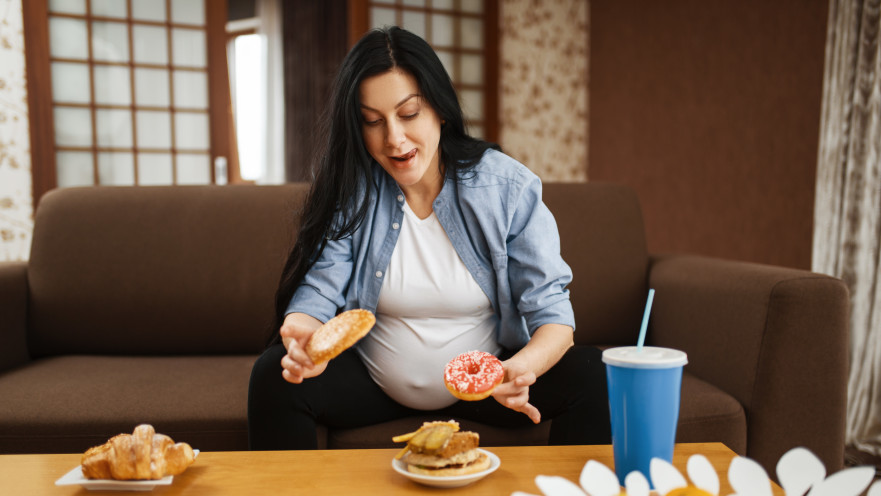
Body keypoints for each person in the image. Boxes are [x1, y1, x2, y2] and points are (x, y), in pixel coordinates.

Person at [247, 26, 611, 449]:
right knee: (272, 374)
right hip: (376, 387)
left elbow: (553, 317)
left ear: (439, 108)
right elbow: (318, 293)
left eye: (408, 113)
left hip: (486, 387)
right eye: (372, 121)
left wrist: (518, 370)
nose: (394, 139)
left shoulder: (507, 187)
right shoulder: (355, 191)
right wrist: (301, 339)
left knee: (594, 371)